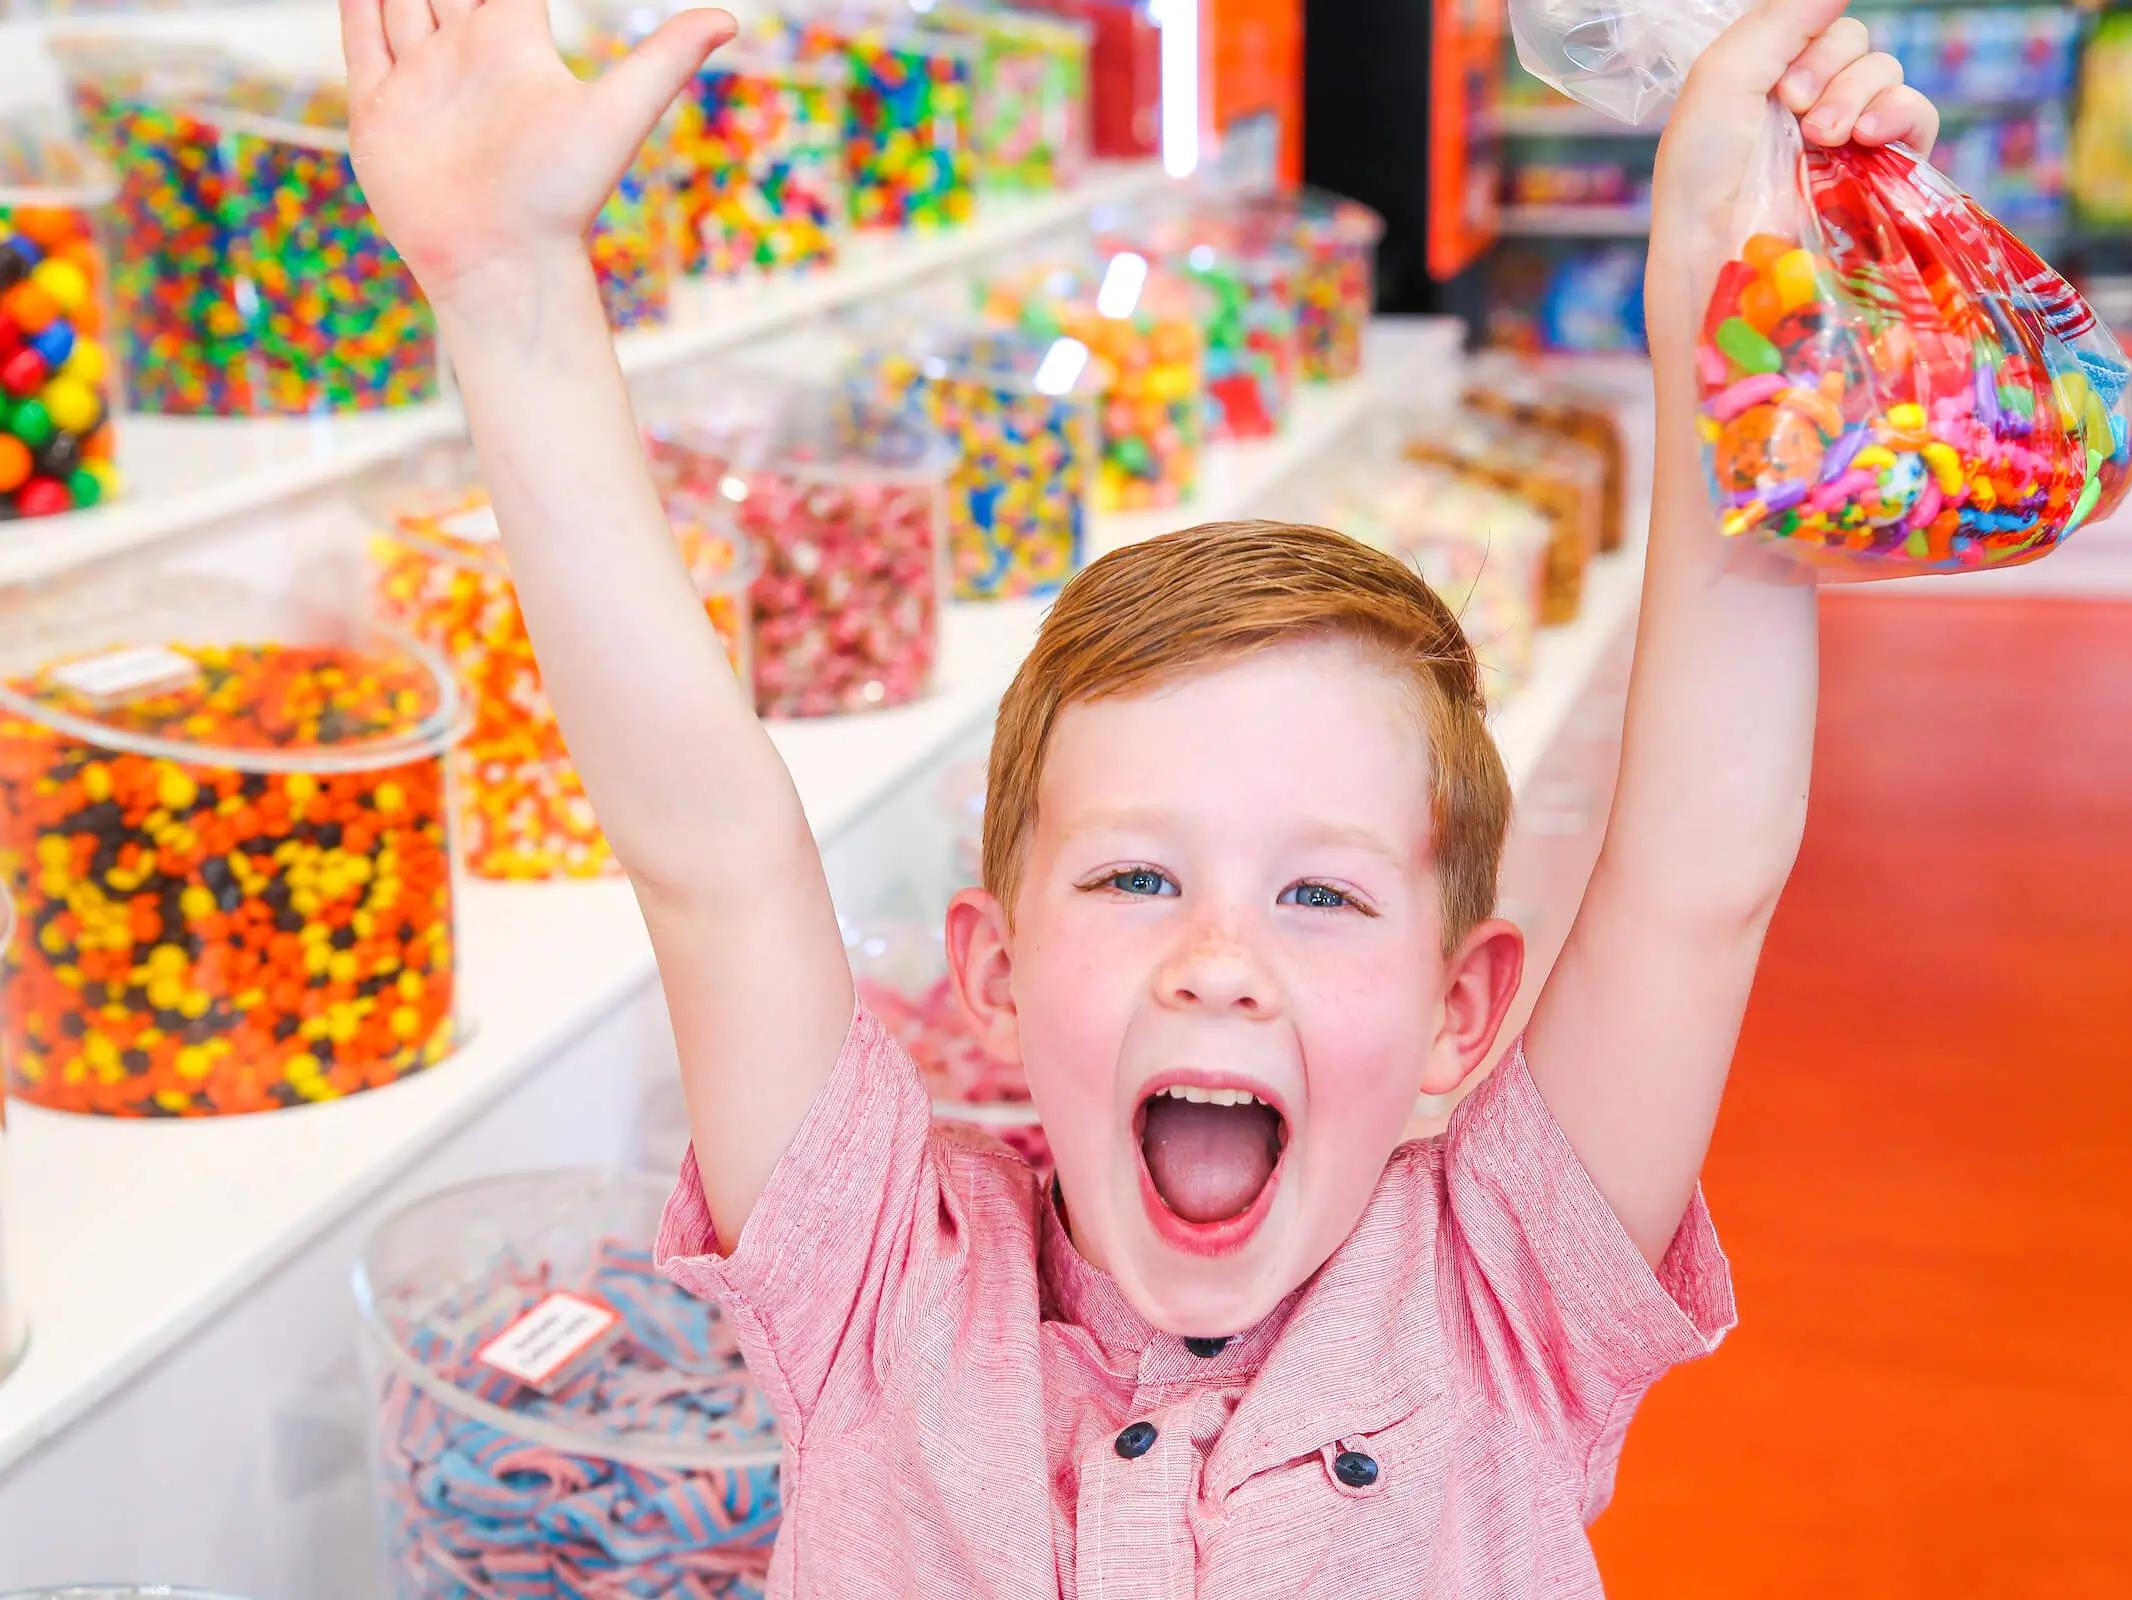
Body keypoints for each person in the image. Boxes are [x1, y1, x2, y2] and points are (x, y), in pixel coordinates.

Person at [337, 0, 1938, 1591]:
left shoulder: (1502, 1301)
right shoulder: (886, 1285)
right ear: (995, 969)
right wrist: (509, 291)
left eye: (1320, 895)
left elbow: (1693, 884)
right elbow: (710, 857)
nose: (1217, 959)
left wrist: (1733, 303)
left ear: (1465, 1005)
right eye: (1133, 880)